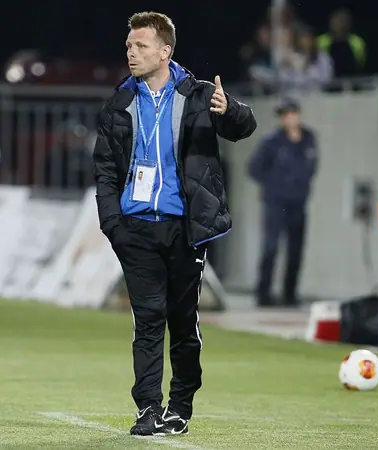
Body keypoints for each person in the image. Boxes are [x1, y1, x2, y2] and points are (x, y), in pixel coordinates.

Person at [92, 12, 256, 436]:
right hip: (135, 228)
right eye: (129, 46)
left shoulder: (199, 95)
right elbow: (105, 168)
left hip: (185, 228)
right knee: (148, 319)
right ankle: (148, 407)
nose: (131, 53)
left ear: (165, 51)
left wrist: (231, 110)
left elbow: (243, 128)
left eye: (141, 46)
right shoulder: (119, 103)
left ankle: (180, 405)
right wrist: (113, 223)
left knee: (183, 322)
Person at [248, 98, 317, 307]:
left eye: (291, 114)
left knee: (296, 250)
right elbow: (254, 168)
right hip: (276, 203)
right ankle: (264, 293)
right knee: (271, 248)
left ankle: (290, 294)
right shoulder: (272, 141)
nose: (289, 119)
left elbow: (312, 166)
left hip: (298, 202)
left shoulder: (308, 139)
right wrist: (273, 185)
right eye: (285, 116)